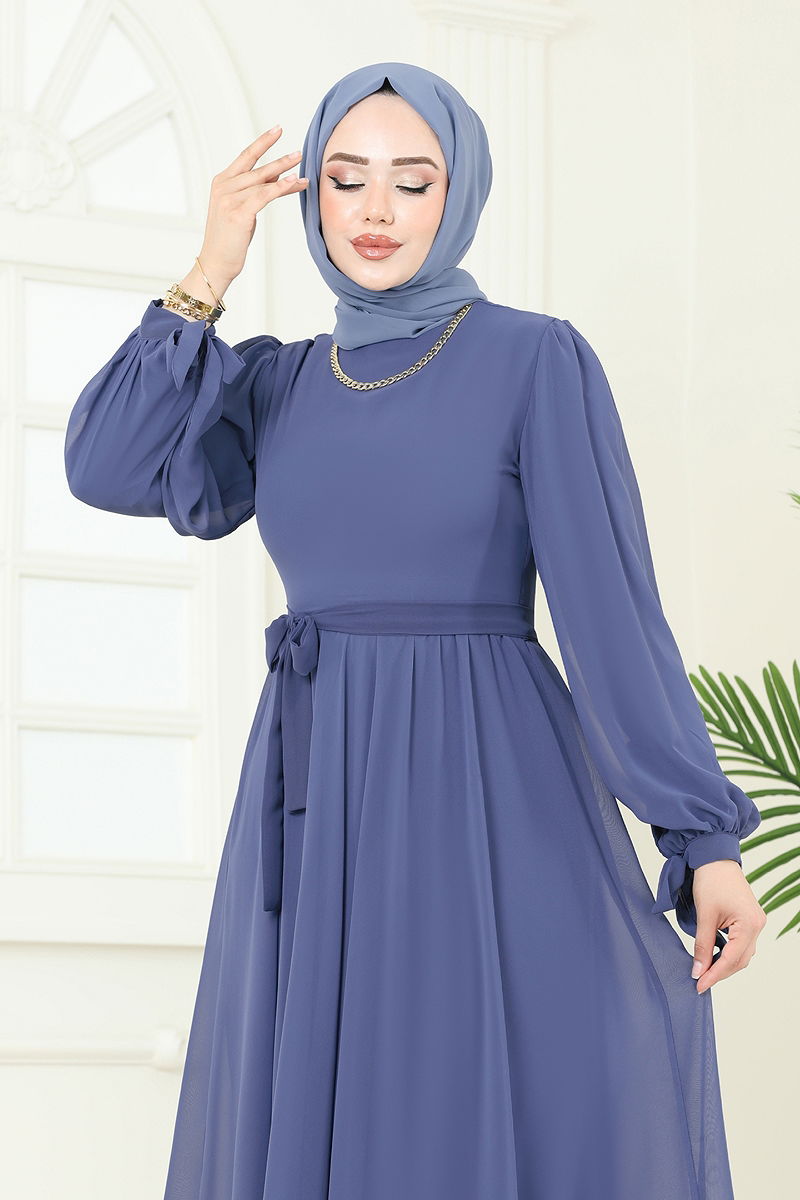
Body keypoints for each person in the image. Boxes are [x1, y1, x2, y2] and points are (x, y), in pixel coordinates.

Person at [64, 61, 765, 1200]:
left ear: (459, 192)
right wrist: (209, 270)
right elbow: (107, 466)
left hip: (488, 786)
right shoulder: (278, 384)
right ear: (311, 200)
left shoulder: (534, 359)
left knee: (477, 1086)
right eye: (345, 180)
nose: (376, 210)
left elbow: (612, 615)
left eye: (412, 180)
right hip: (312, 788)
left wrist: (704, 839)